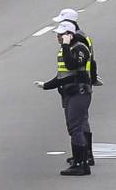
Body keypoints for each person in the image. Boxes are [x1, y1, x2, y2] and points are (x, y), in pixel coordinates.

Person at [35, 21, 95, 176]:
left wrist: (66, 45)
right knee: (72, 127)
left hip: (79, 92)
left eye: (62, 35)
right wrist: (46, 85)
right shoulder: (65, 50)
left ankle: (81, 163)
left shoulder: (80, 48)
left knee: (76, 127)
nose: (59, 37)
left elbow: (71, 65)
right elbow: (62, 75)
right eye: (59, 35)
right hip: (69, 93)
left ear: (70, 35)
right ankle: (78, 160)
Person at [52, 8, 100, 165]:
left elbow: (82, 62)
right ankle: (82, 154)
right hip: (73, 85)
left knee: (79, 123)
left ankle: (85, 155)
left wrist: (91, 78)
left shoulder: (78, 40)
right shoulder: (77, 37)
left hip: (78, 85)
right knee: (78, 122)